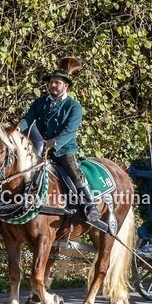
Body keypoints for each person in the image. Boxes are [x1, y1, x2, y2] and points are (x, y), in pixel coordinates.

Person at [18, 56, 98, 221]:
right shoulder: (40, 102)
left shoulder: (74, 106)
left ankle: (90, 204)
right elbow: (28, 119)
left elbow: (70, 131)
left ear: (66, 86)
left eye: (57, 83)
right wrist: (18, 128)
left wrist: (52, 144)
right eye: (52, 82)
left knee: (72, 168)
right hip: (38, 146)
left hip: (62, 149)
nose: (53, 85)